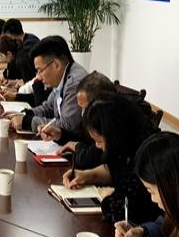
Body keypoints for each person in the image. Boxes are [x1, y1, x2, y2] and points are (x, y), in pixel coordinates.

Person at [63, 92, 161, 224]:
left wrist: (107, 196)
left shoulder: (147, 155)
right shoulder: (128, 144)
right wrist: (87, 175)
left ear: (115, 135)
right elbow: (116, 168)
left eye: (99, 141)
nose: (97, 146)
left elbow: (120, 210)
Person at [7, 35, 87, 133]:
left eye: (40, 70)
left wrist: (27, 122)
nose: (39, 77)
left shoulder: (74, 84)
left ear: (56, 65)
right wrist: (26, 114)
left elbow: (67, 126)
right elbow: (48, 108)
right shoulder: (62, 76)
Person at [41, 71, 115, 169]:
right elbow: (83, 138)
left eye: (85, 108)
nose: (82, 113)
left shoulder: (110, 126)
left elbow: (90, 159)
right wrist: (61, 134)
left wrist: (77, 147)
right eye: (80, 107)